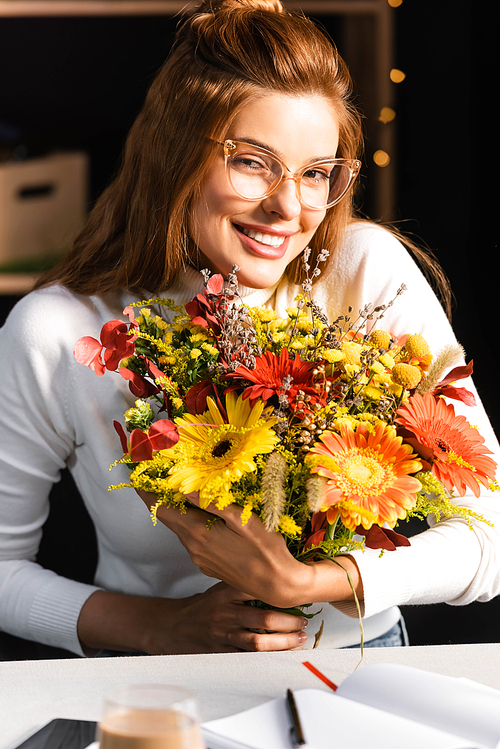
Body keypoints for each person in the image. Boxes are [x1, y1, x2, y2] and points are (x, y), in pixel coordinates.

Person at [0, 0, 499, 658]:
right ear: (177, 152)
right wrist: (161, 627)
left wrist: (315, 580)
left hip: (359, 669)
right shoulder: (59, 328)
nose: (289, 206)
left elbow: (489, 533)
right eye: (253, 162)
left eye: (316, 173)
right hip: (159, 678)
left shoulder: (366, 271)